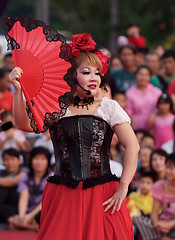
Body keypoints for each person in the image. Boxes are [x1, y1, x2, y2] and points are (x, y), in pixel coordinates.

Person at [9, 32, 139, 240]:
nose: (94, 78)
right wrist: (17, 90)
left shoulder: (108, 107)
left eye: (97, 73)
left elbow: (133, 146)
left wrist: (124, 186)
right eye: (86, 72)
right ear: (71, 75)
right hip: (63, 193)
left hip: (103, 194)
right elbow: (22, 124)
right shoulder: (56, 107)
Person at [8, 147, 53, 232]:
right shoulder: (25, 177)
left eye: (42, 159)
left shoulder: (52, 177)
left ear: (48, 162)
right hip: (27, 211)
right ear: (31, 160)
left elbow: (46, 200)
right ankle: (27, 225)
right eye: (36, 158)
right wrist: (22, 216)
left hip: (41, 211)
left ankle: (24, 225)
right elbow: (23, 196)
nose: (39, 162)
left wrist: (30, 216)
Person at [126, 65, 162, 130]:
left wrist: (155, 113)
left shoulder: (157, 92)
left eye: (146, 75)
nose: (143, 77)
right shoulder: (130, 93)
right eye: (140, 74)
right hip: (137, 128)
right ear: (135, 76)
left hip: (155, 128)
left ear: (150, 77)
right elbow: (129, 112)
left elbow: (162, 107)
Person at [0, 148, 28, 224]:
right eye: (6, 159)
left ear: (19, 161)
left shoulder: (25, 171)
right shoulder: (2, 172)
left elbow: (15, 181)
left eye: (12, 159)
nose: (9, 162)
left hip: (17, 207)